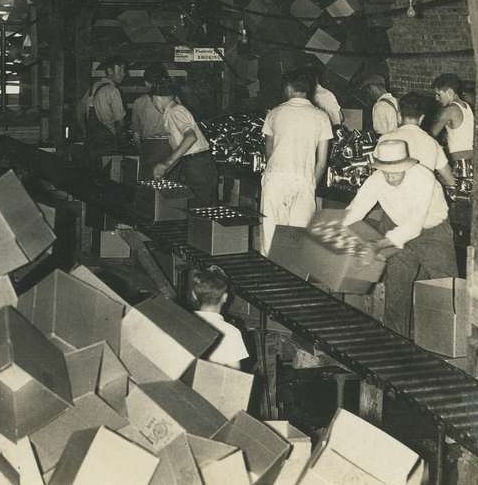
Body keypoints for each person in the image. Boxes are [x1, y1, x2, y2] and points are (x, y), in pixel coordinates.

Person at [342, 139, 458, 338]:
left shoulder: (423, 177)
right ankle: (395, 347)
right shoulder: (376, 180)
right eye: (386, 171)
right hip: (397, 234)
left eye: (396, 171)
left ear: (406, 165)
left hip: (433, 233)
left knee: (447, 294)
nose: (391, 177)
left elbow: (413, 226)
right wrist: (332, 232)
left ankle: (450, 351)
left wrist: (377, 245)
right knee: (396, 295)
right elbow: (354, 211)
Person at [260, 70, 333, 253]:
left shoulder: (274, 113)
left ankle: (269, 273)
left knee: (270, 234)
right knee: (297, 239)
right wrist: (310, 184)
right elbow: (322, 162)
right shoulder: (322, 117)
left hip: (275, 179)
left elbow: (268, 151)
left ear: (289, 88)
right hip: (303, 179)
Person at [150, 78, 218, 207]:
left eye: (152, 101)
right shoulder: (174, 111)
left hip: (198, 166)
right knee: (198, 208)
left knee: (201, 210)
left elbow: (190, 138)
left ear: (157, 97)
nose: (154, 104)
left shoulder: (175, 111)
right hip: (196, 164)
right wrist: (166, 169)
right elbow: (182, 148)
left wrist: (166, 163)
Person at [379, 92, 457, 188]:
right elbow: (451, 181)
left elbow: (377, 174)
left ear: (399, 117)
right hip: (422, 199)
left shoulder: (384, 139)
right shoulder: (432, 143)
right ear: (421, 119)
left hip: (391, 199)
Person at [191, 266, 250, 370]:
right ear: (225, 297)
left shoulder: (182, 320)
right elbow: (234, 375)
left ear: (194, 295)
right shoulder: (232, 333)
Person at [79, 58, 127, 171]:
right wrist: (119, 137)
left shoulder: (93, 88)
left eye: (124, 71)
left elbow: (79, 111)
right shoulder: (113, 90)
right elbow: (120, 120)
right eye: (120, 71)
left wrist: (85, 130)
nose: (123, 74)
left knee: (93, 173)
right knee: (109, 175)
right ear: (110, 71)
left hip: (91, 139)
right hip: (107, 140)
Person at [130, 63, 172, 180]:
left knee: (148, 187)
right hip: (170, 148)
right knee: (168, 188)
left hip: (150, 148)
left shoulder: (139, 102)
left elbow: (136, 135)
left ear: (146, 83)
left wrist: (143, 150)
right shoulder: (174, 100)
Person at [429, 73, 475, 163]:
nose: (436, 98)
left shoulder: (450, 110)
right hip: (472, 157)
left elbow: (430, 136)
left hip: (459, 159)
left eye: (438, 94)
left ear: (449, 92)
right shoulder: (466, 106)